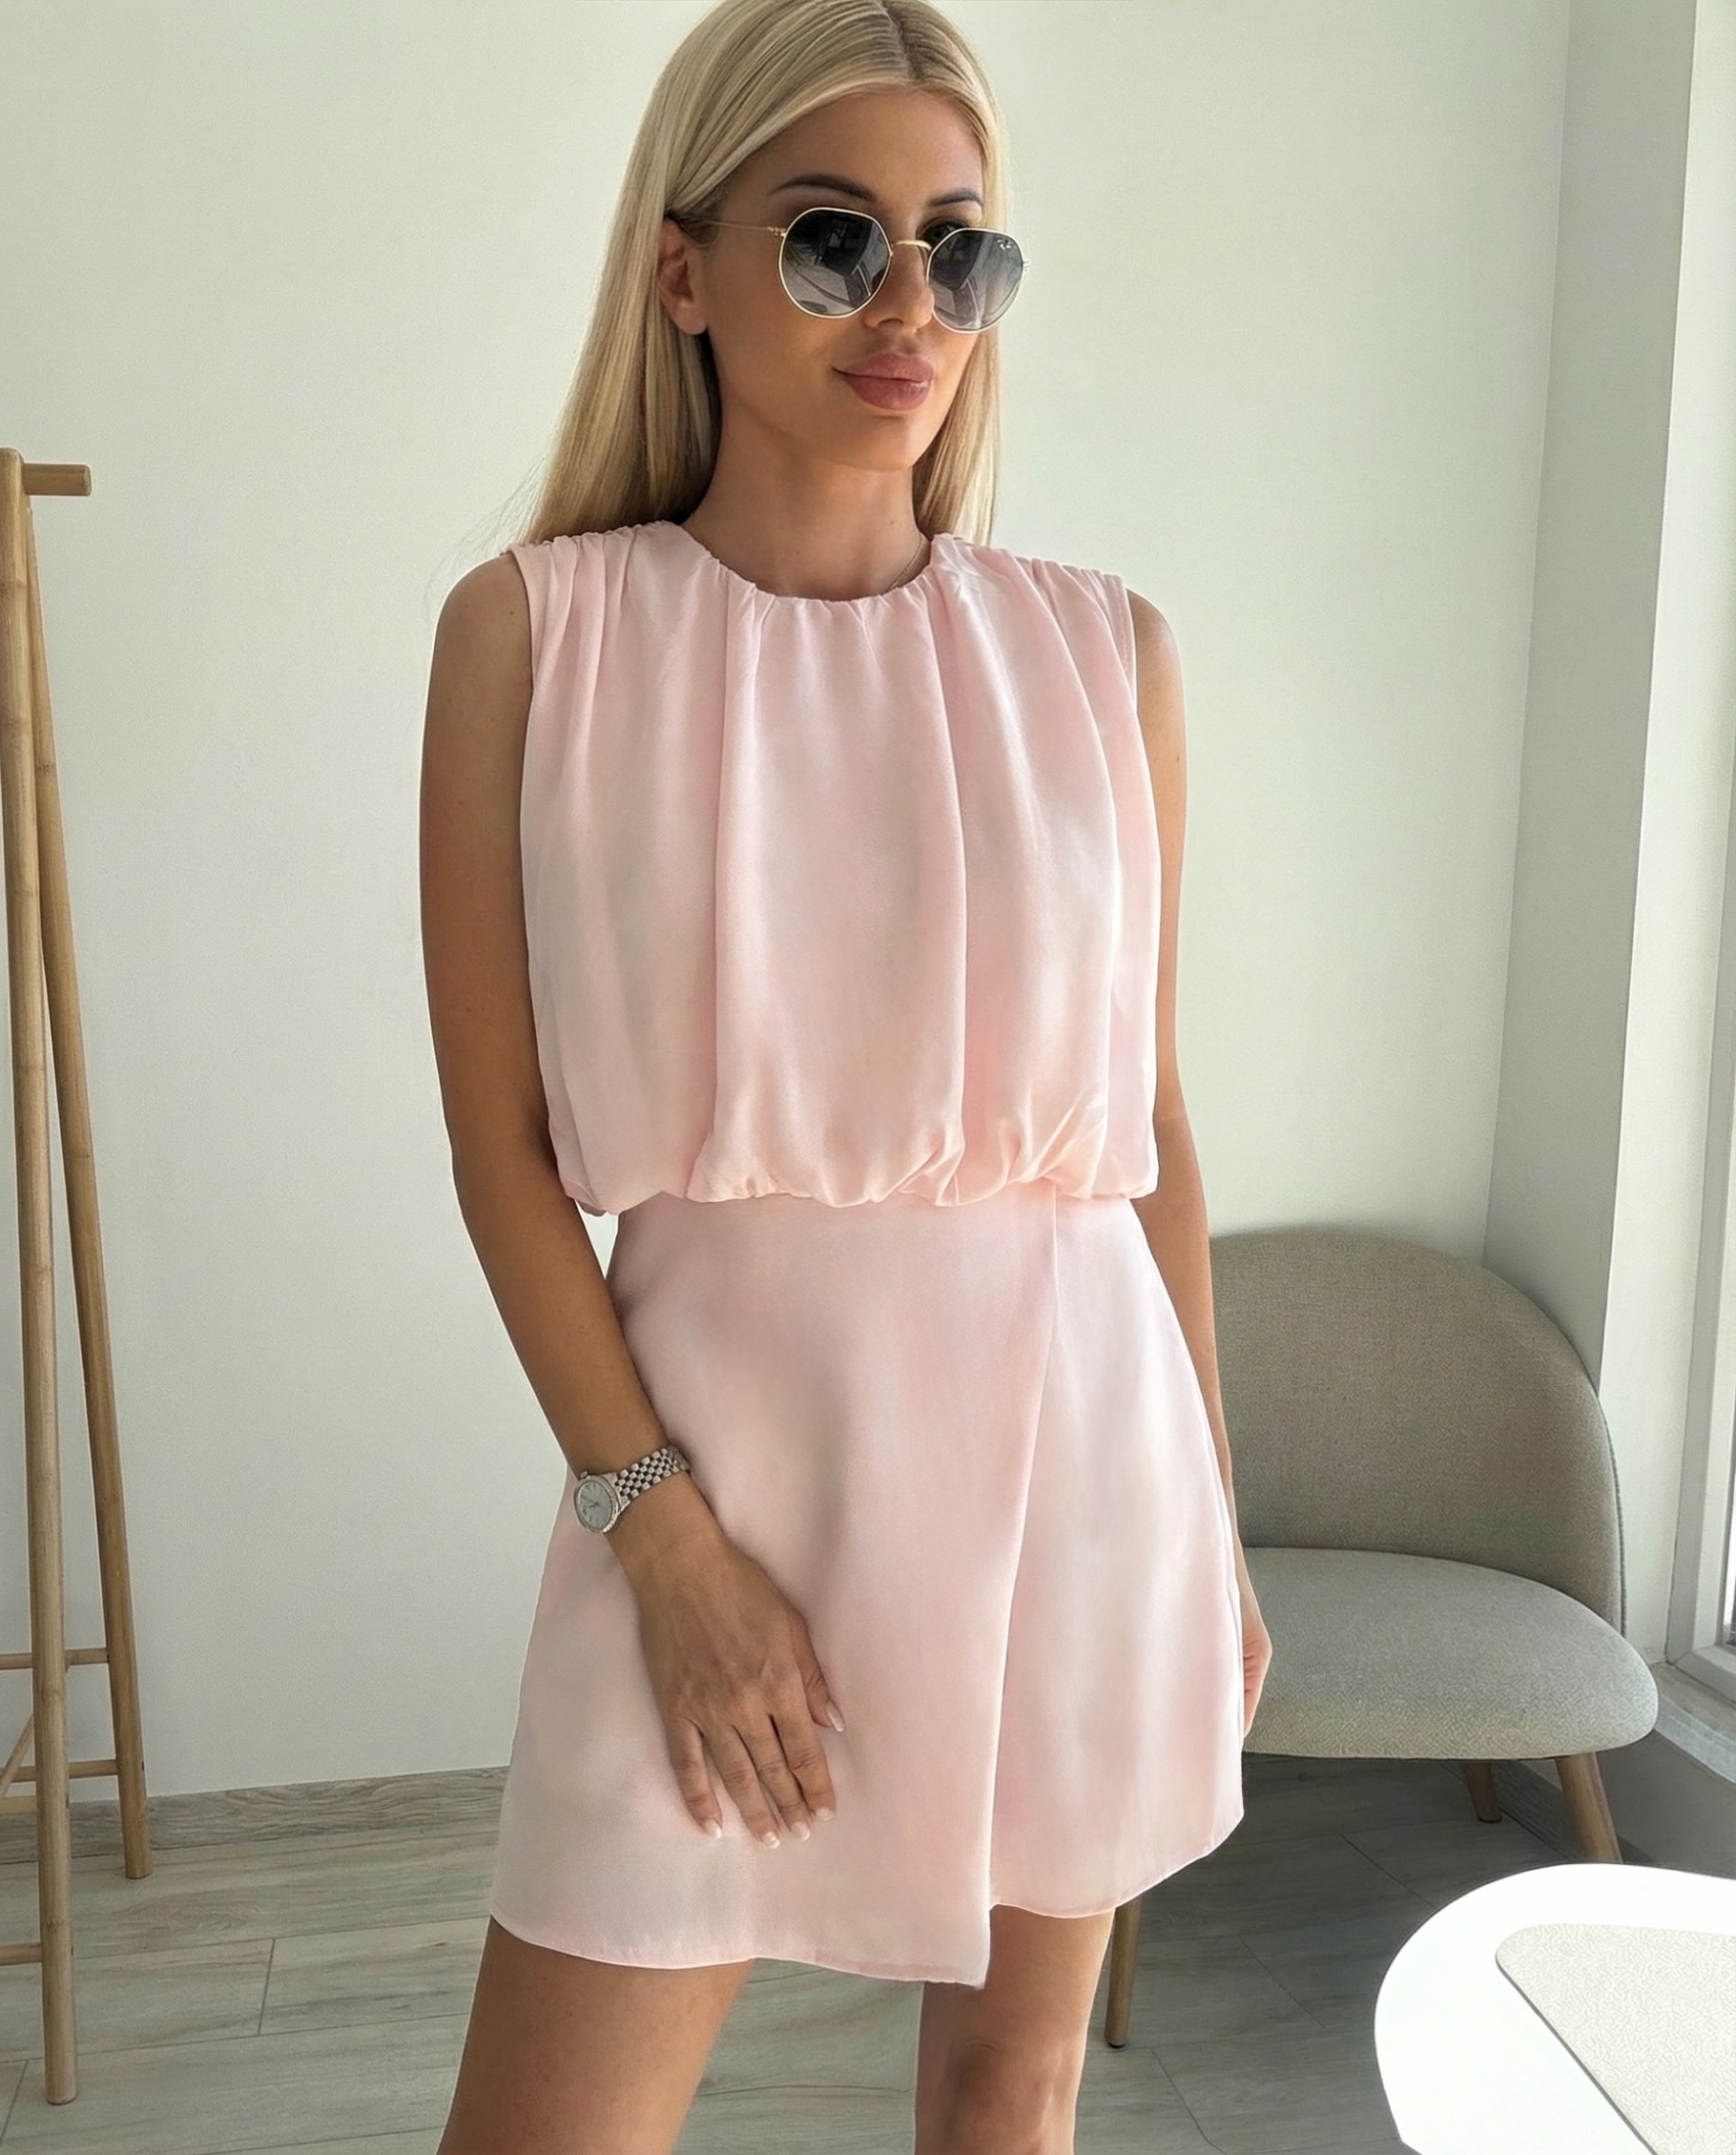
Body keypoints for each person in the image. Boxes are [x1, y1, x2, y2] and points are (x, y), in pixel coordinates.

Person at [419, 1, 1272, 2148]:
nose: (910, 306)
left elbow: (1149, 1129)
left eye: (960, 251)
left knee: (1010, 2092)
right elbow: (503, 1152)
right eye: (834, 240)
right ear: (681, 271)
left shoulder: (1107, 654)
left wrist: (1210, 1514)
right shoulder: (538, 636)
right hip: (708, 1485)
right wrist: (660, 1544)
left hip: (1081, 1469)